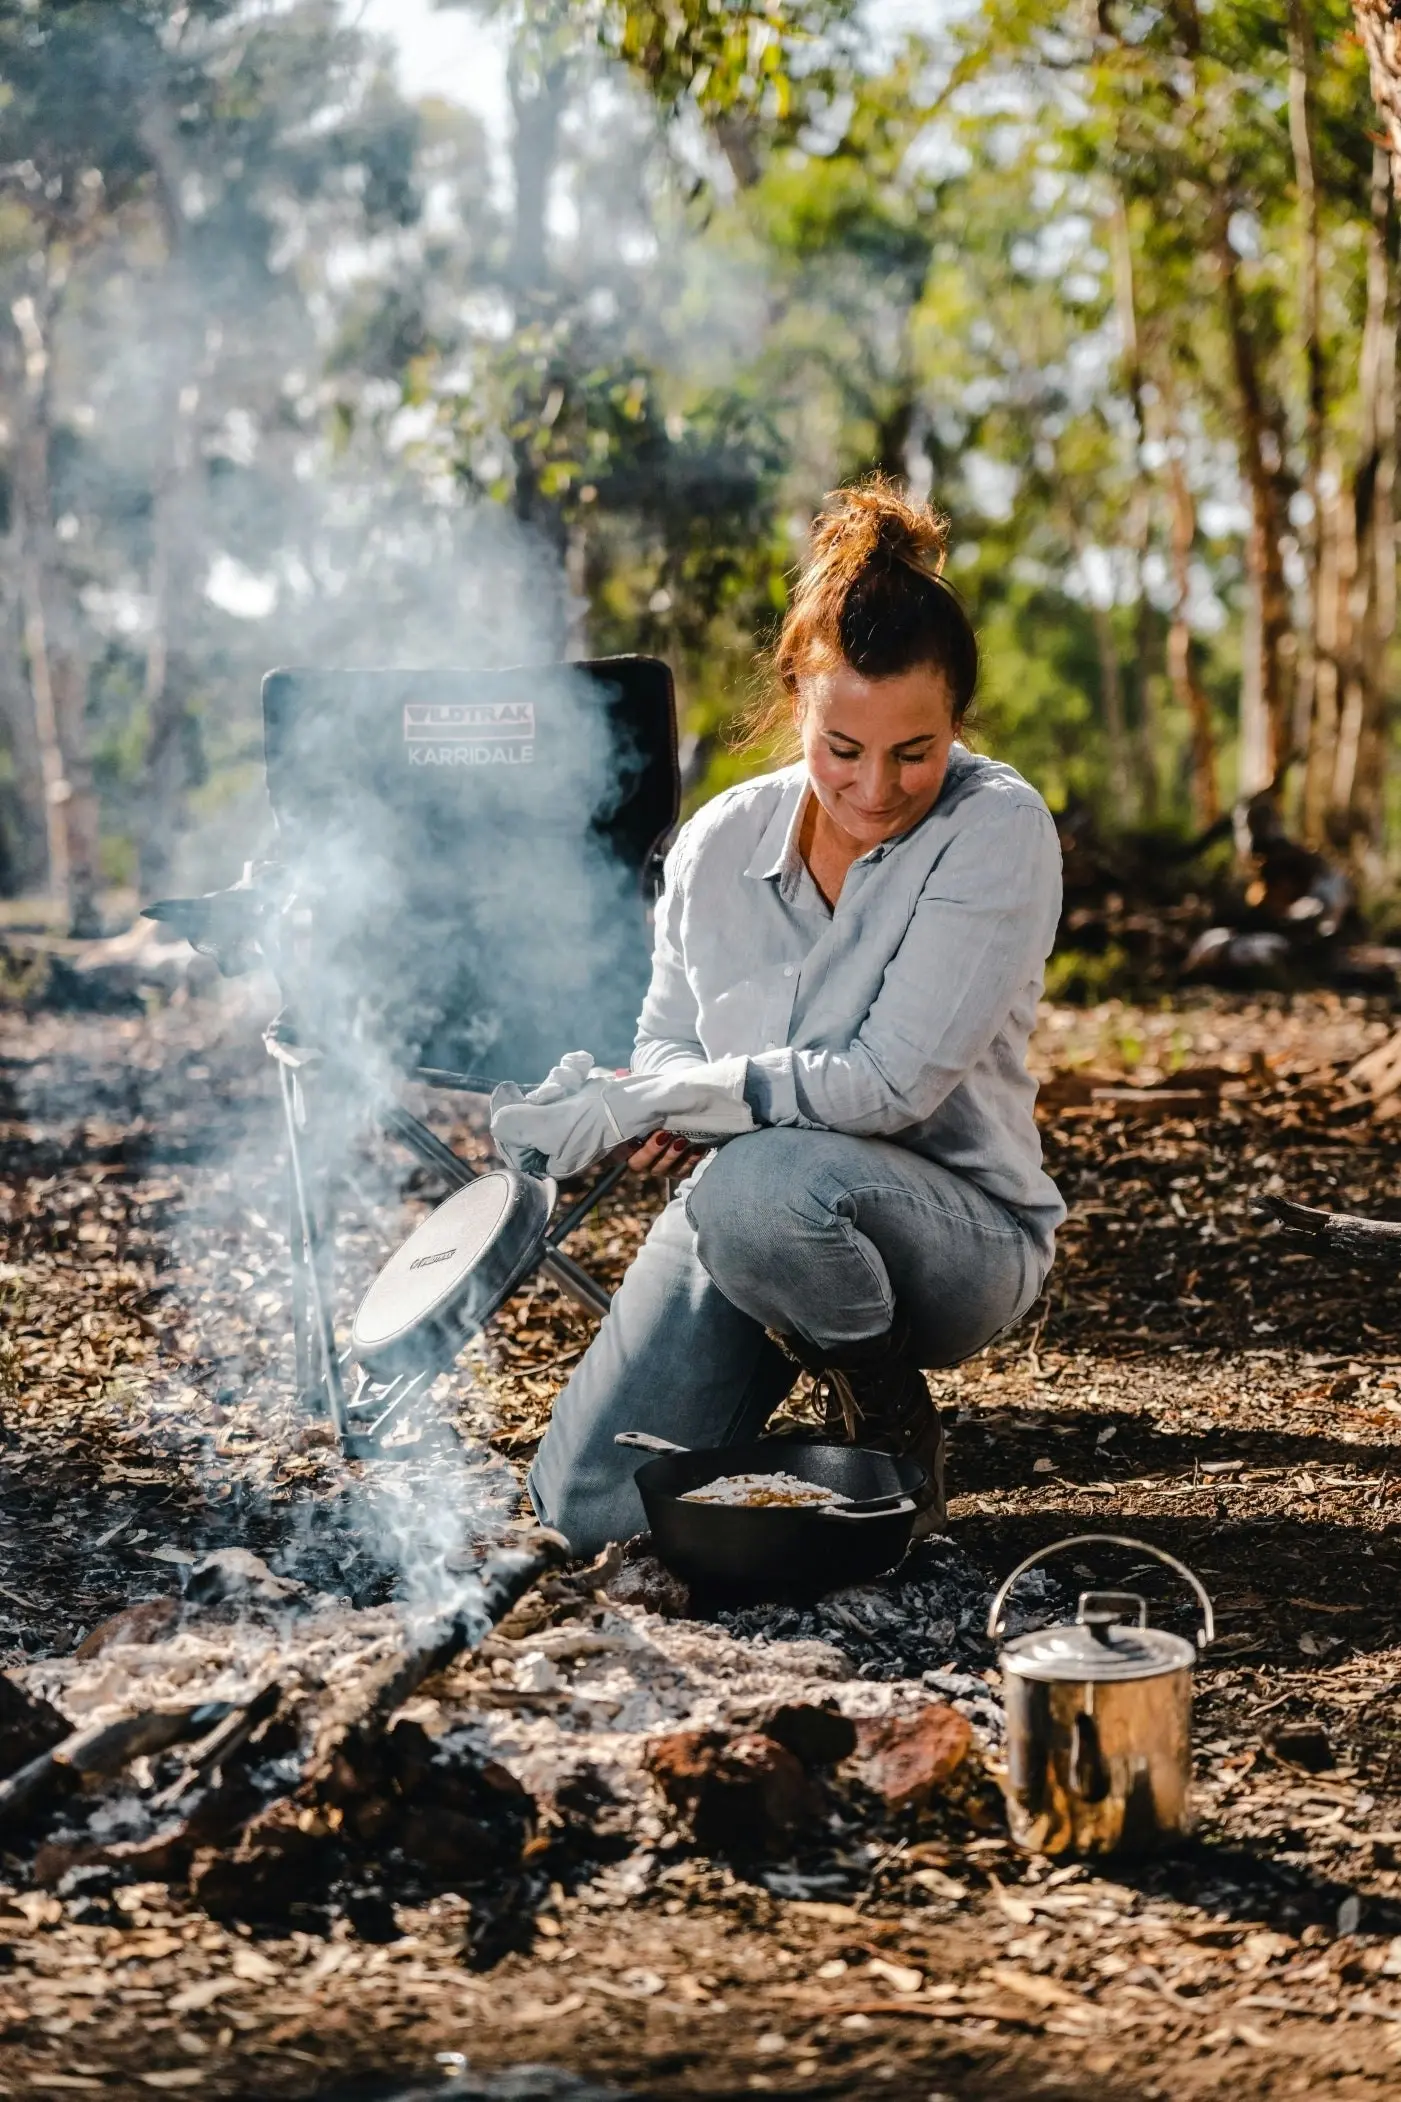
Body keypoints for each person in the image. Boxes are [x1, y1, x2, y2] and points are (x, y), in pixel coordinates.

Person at [491, 477, 1065, 1558]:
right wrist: (661, 1084)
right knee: (591, 1511)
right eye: (843, 748)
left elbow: (887, 1086)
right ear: (798, 698)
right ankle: (794, 1467)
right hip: (752, 1218)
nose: (878, 786)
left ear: (957, 724)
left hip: (953, 1241)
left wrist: (685, 1094)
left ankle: (883, 1412)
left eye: (916, 750)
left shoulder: (998, 830)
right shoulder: (717, 844)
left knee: (764, 1184)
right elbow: (666, 1034)